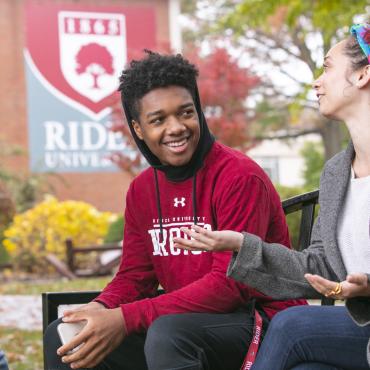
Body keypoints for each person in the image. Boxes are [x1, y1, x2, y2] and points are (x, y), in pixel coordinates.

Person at [44, 51, 305, 370]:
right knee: (64, 336)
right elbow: (135, 276)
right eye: (158, 120)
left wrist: (125, 318)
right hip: (188, 325)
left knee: (169, 334)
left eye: (186, 113)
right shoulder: (142, 190)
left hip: (263, 322)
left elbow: (230, 286)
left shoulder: (238, 177)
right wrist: (100, 308)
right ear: (138, 129)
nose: (177, 127)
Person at [174, 23, 370, 370]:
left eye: (326, 67)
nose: (317, 82)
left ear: (362, 75)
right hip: (361, 330)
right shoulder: (338, 172)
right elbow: (319, 265)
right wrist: (240, 244)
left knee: (293, 325)